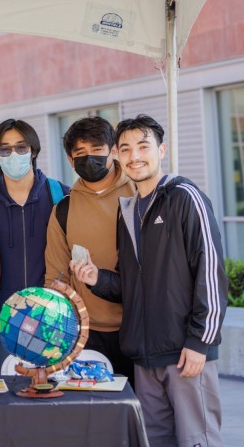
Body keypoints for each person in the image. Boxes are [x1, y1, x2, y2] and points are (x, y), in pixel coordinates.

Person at [71, 115, 227, 446]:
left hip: (184, 353)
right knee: (155, 441)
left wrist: (200, 342)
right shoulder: (128, 210)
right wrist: (97, 279)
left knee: (198, 440)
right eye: (125, 149)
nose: (135, 156)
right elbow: (134, 286)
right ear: (117, 155)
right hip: (144, 357)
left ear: (162, 150)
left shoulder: (184, 197)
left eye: (143, 147)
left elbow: (210, 270)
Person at [44, 116, 136, 383]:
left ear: (113, 151)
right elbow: (56, 276)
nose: (89, 158)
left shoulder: (139, 194)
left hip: (137, 330)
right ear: (71, 162)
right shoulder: (64, 208)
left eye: (97, 150)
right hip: (86, 335)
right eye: (80, 153)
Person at [0, 119, 69, 375]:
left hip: (52, 326)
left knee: (51, 405)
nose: (14, 155)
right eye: (5, 149)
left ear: (33, 150)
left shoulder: (62, 197)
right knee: (3, 408)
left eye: (21, 147)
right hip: (0, 328)